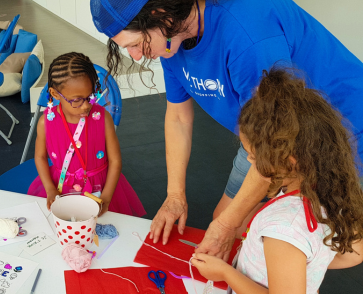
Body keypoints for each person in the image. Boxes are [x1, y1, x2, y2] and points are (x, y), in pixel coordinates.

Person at [91, 0, 363, 260]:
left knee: (328, 246)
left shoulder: (247, 34)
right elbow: (178, 117)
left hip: (339, 130)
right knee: (226, 224)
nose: (137, 56)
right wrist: (175, 196)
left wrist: (229, 226)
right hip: (263, 139)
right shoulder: (170, 38)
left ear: (160, 13)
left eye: (136, 44)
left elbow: (278, 143)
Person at [191, 68, 363, 294]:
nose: (249, 160)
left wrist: (225, 273)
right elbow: (356, 251)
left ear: (287, 161)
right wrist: (300, 271)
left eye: (252, 156)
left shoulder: (282, 227)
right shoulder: (331, 191)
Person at [28, 52, 146, 217]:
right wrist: (50, 188)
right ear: (55, 94)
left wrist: (106, 196)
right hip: (60, 187)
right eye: (77, 100)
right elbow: (40, 157)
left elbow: (115, 160)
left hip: (101, 187)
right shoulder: (45, 122)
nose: (86, 106)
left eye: (90, 96)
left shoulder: (103, 118)